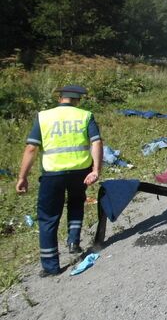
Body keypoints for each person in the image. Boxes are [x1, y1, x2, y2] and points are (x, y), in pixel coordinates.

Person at [15, 85, 103, 276]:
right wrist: (96, 169)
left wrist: (22, 177)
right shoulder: (85, 115)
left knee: (48, 218)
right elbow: (96, 141)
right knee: (76, 204)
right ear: (78, 99)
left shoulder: (43, 116)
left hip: (52, 174)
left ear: (60, 98)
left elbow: (31, 148)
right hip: (81, 171)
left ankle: (51, 266)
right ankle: (73, 242)